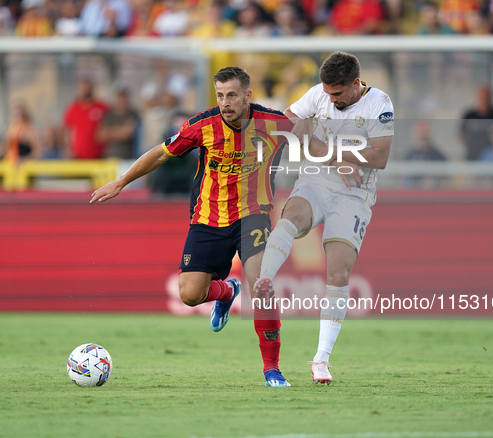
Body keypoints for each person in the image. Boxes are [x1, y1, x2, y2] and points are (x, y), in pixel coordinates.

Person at [90, 67, 293, 387]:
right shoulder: (203, 125)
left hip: (253, 215)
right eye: (221, 95)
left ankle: (272, 369)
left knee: (263, 287)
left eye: (232, 95)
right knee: (189, 294)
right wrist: (121, 182)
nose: (226, 103)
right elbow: (160, 154)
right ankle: (226, 292)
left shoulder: (274, 123)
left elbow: (316, 137)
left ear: (248, 96)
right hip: (208, 219)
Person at [254, 52, 394, 385]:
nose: (330, 99)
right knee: (291, 217)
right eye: (327, 93)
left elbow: (380, 156)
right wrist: (334, 157)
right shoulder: (318, 93)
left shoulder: (379, 103)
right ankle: (265, 279)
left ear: (356, 84)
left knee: (339, 269)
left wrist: (321, 147)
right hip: (316, 180)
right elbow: (289, 126)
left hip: (355, 194)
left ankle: (321, 359)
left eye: (338, 94)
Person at [62, 79, 109, 159]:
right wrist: (67, 148)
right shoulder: (73, 108)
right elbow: (64, 130)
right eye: (83, 88)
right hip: (78, 156)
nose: (85, 91)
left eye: (87, 88)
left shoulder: (102, 107)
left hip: (98, 156)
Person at [459, 85, 493, 161]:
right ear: (477, 97)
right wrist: (473, 144)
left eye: (487, 97)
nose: (484, 100)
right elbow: (461, 134)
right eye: (482, 97)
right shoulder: (469, 115)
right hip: (473, 157)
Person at [97, 86, 140, 159]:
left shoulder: (133, 114)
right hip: (111, 157)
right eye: (119, 95)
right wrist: (121, 130)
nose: (121, 98)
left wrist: (110, 131)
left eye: (123, 95)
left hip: (128, 157)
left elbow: (128, 133)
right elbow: (100, 135)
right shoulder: (109, 115)